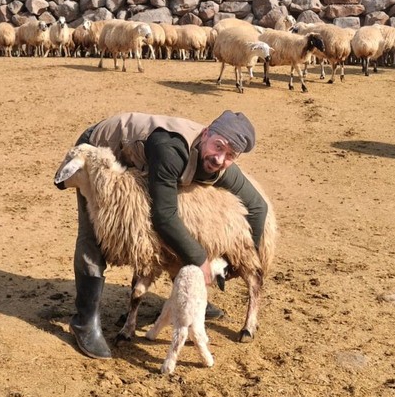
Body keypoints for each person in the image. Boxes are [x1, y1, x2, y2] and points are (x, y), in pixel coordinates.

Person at [70, 110, 268, 359]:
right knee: (95, 236)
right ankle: (85, 322)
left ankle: (188, 298)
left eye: (230, 155)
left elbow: (258, 207)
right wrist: (201, 260)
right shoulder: (171, 150)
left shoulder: (220, 161)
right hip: (102, 154)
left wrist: (239, 261)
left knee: (172, 234)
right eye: (218, 147)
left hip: (144, 165)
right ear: (206, 134)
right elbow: (164, 216)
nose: (220, 158)